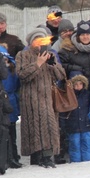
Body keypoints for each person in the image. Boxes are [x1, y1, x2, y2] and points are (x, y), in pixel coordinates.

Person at [16, 28, 66, 168]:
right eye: (36, 41)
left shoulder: (50, 55)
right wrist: (37, 63)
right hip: (30, 98)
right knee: (33, 127)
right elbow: (21, 75)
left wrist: (52, 65)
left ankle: (48, 156)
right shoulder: (23, 55)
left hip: (47, 97)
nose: (39, 44)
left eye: (42, 41)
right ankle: (36, 156)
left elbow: (61, 75)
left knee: (49, 125)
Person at [62, 75, 90, 163]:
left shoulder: (87, 95)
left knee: (87, 144)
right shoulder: (69, 95)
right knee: (74, 145)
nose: (78, 86)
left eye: (80, 84)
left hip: (86, 123)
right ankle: (75, 162)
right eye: (76, 84)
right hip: (73, 125)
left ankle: (89, 161)